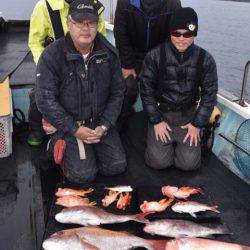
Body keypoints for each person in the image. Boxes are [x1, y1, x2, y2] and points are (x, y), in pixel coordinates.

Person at [35, 0, 127, 183]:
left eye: (91, 22)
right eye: (79, 22)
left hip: (99, 122)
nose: (86, 28)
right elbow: (45, 99)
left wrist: (105, 125)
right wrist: (74, 129)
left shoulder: (110, 53)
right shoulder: (51, 56)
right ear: (69, 24)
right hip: (70, 125)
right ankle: (55, 141)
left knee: (116, 165)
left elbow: (117, 92)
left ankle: (91, 148)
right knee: (83, 175)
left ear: (97, 25)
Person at [140, 7, 218, 171]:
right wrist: (156, 120)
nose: (181, 39)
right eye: (177, 33)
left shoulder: (206, 59)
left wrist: (197, 124)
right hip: (163, 114)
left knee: (189, 165)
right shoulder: (154, 55)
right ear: (170, 33)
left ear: (194, 34)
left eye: (187, 34)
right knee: (157, 163)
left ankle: (180, 147)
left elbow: (209, 95)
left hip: (189, 117)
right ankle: (155, 139)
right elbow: (146, 90)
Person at [27, 0, 106, 146]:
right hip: (54, 63)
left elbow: (101, 40)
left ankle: (96, 124)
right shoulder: (44, 7)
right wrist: (45, 66)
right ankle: (36, 128)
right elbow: (35, 41)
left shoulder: (93, 6)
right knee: (38, 93)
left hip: (85, 61)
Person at [113, 0, 181, 131]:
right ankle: (121, 124)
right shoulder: (124, 2)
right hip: (130, 56)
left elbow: (173, 38)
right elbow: (121, 33)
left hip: (158, 58)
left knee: (160, 90)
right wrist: (127, 64)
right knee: (127, 88)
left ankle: (153, 127)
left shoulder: (173, 4)